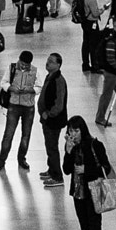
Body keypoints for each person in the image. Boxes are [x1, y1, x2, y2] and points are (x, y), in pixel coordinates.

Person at [62, 116, 115, 230]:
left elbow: (106, 167)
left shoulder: (95, 145)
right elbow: (66, 170)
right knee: (85, 229)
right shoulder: (71, 146)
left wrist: (87, 169)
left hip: (93, 194)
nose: (73, 134)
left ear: (82, 130)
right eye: (70, 131)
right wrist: (68, 152)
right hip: (78, 194)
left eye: (76, 131)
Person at [0, 49, 38, 173]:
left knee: (26, 135)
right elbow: (3, 82)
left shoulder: (35, 71)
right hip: (13, 106)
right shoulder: (12, 68)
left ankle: (22, 159)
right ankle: (1, 161)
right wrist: (11, 88)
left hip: (28, 107)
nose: (23, 66)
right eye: (22, 63)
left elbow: (39, 86)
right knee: (8, 135)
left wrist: (30, 90)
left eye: (26, 64)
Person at [37, 52, 69, 188]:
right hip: (47, 119)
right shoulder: (50, 77)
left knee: (52, 147)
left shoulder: (59, 80)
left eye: (51, 61)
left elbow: (59, 103)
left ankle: (57, 176)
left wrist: (48, 114)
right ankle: (51, 170)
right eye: (47, 60)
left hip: (53, 120)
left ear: (58, 65)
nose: (47, 63)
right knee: (49, 146)